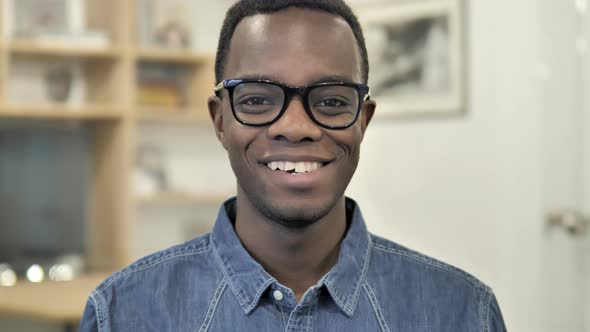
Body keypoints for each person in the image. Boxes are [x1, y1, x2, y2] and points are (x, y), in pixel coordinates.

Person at [80, 0, 506, 331]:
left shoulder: (463, 312)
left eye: (332, 101)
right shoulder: (123, 312)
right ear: (220, 121)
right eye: (257, 100)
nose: (296, 126)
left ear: (363, 120)